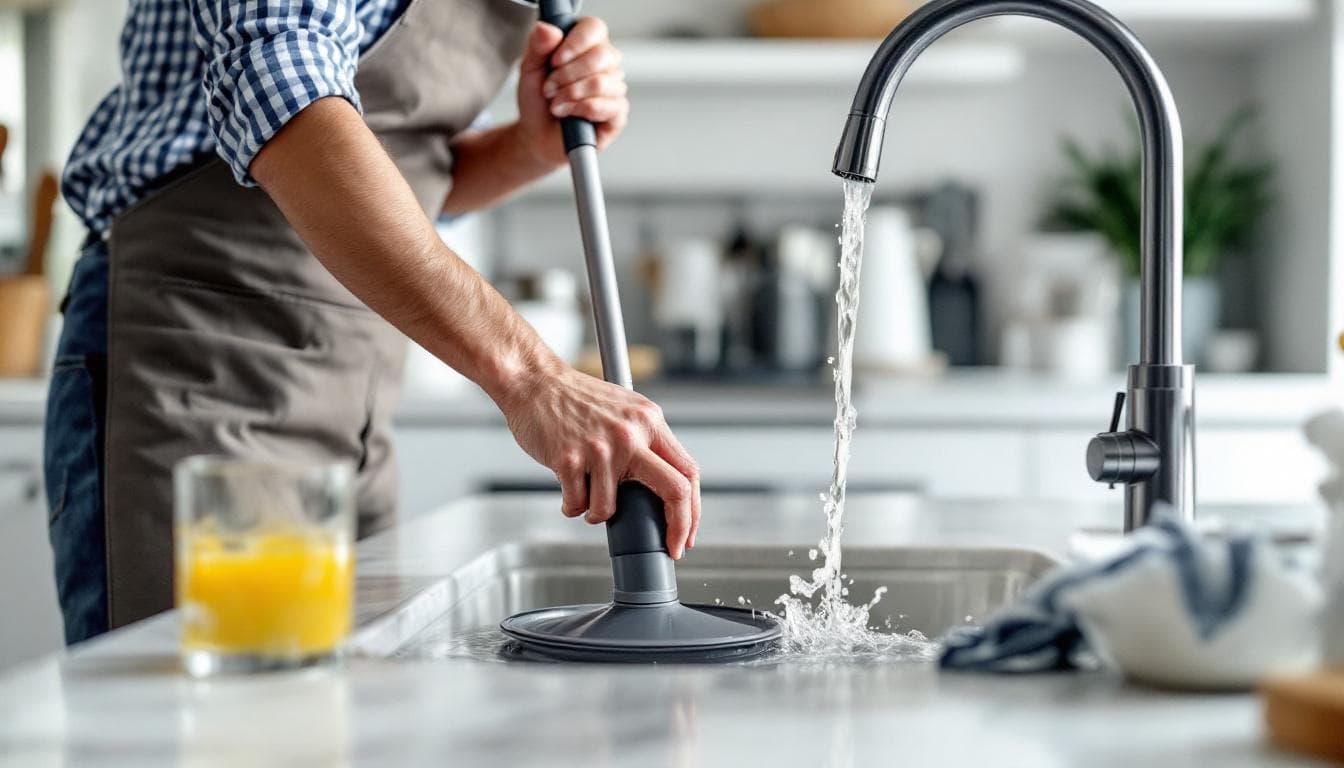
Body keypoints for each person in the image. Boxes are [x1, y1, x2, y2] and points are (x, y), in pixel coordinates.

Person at [45, 0, 701, 645]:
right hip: (200, 365)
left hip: (354, 407)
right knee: (202, 729)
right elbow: (280, 89)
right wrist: (532, 375)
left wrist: (528, 147)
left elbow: (404, 182)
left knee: (324, 731)